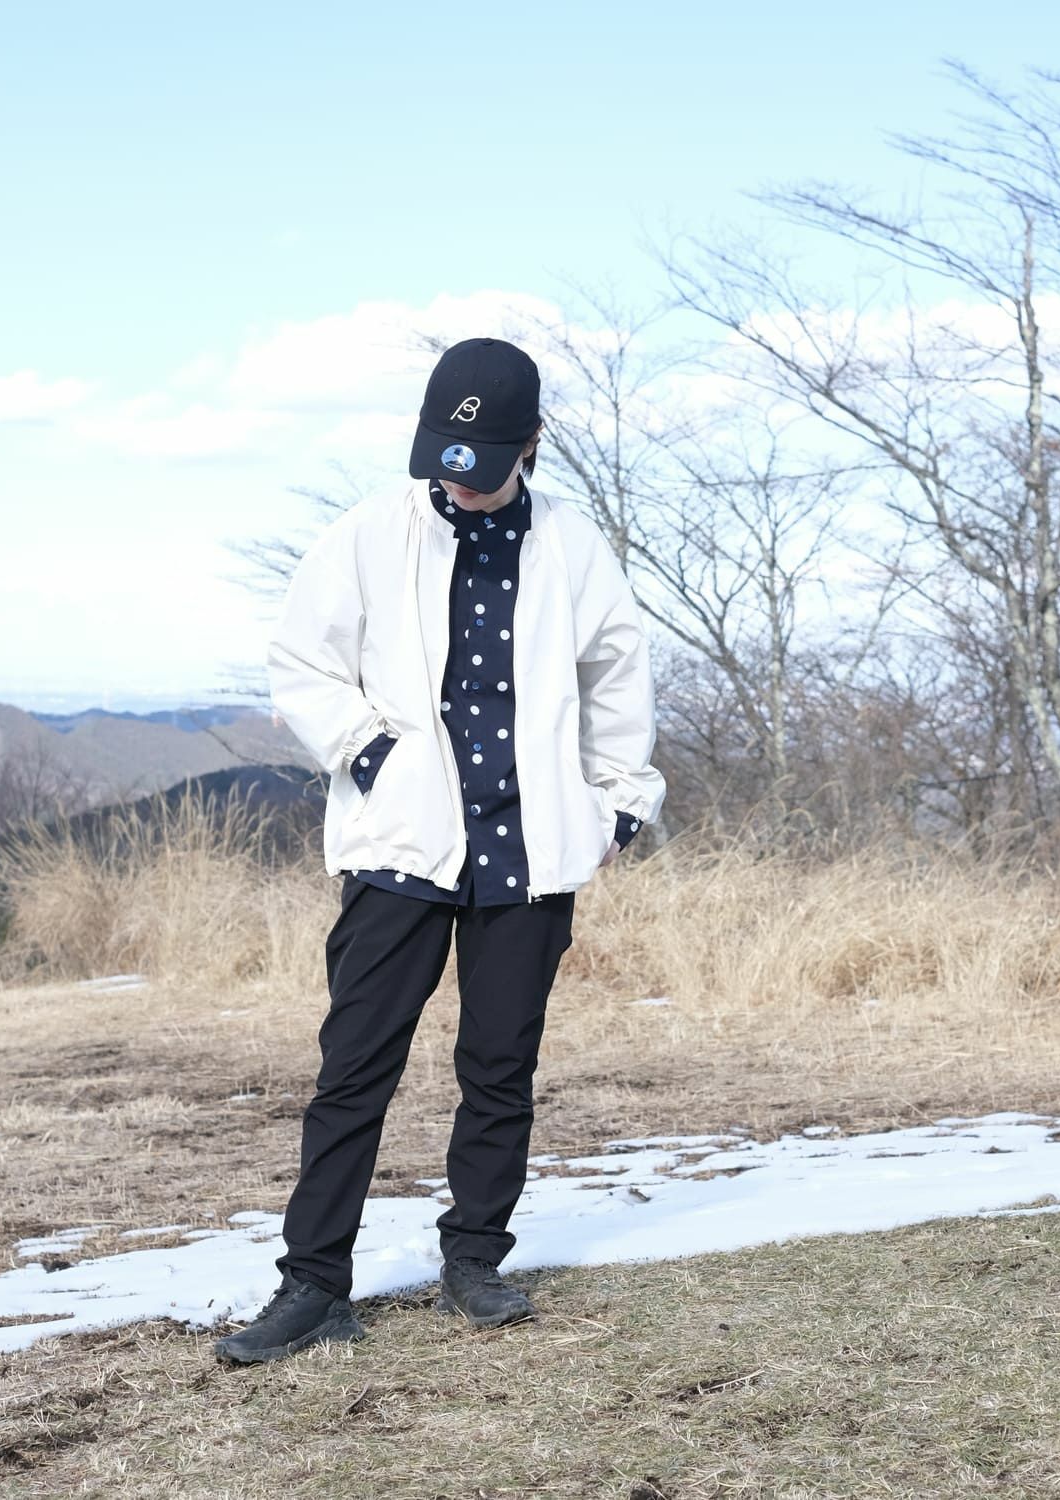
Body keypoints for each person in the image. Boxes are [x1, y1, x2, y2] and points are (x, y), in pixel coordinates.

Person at [214, 337, 666, 1365]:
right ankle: (313, 1285)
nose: (458, 485)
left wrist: (617, 803)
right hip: (402, 844)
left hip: (527, 849)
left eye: (482, 466)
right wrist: (369, 751)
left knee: (500, 1066)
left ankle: (474, 1261)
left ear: (532, 444)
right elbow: (301, 658)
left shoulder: (573, 546)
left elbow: (618, 674)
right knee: (353, 1070)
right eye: (444, 464)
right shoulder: (370, 532)